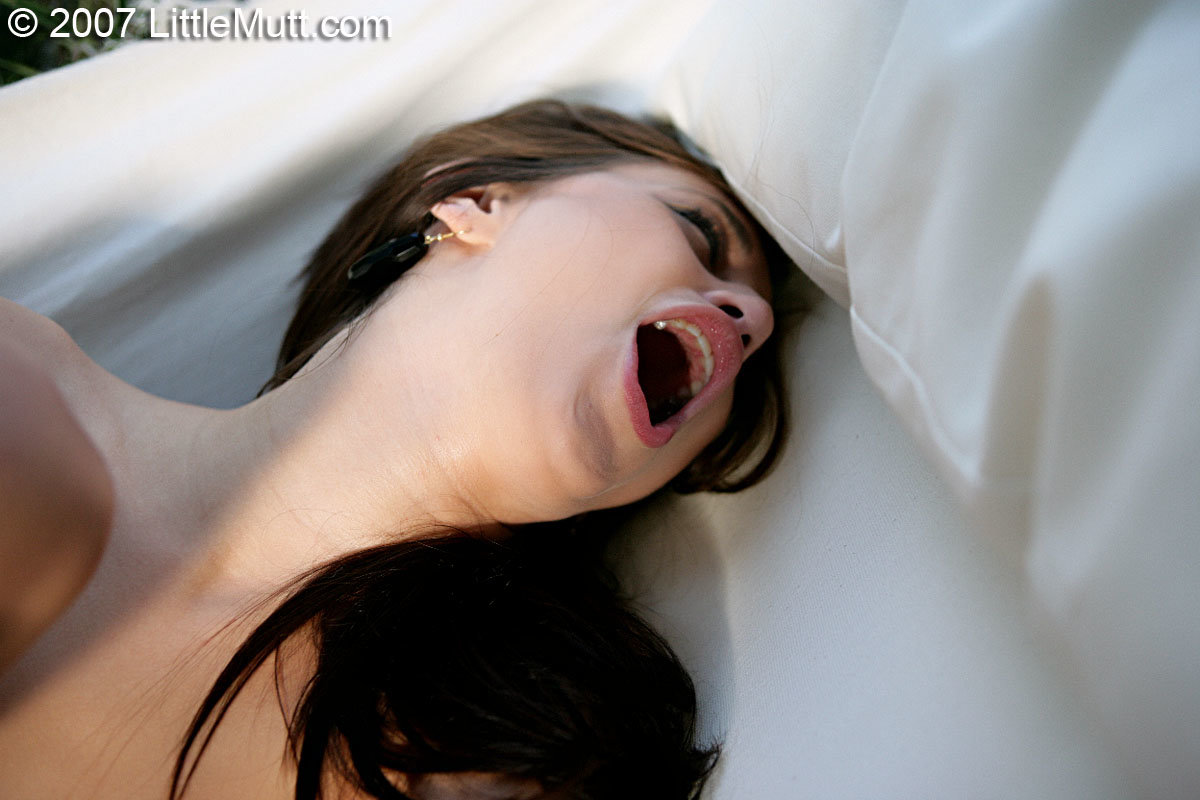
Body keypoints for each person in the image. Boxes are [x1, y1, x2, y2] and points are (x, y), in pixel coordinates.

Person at [0, 100, 788, 799]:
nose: (752, 319)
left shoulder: (528, 746)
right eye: (700, 232)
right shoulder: (24, 387)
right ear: (475, 199)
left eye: (748, 381)